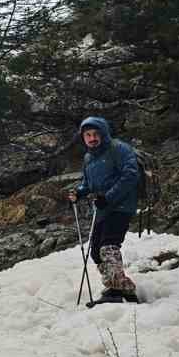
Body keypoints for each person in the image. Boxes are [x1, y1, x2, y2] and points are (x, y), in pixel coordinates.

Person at [68, 117, 142, 303]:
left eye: (95, 134)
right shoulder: (89, 158)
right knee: (95, 252)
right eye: (88, 135)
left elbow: (130, 175)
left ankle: (118, 292)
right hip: (102, 208)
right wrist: (78, 193)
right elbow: (88, 183)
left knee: (108, 246)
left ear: (103, 133)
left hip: (122, 205)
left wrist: (108, 197)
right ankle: (119, 288)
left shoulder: (119, 149)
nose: (92, 138)